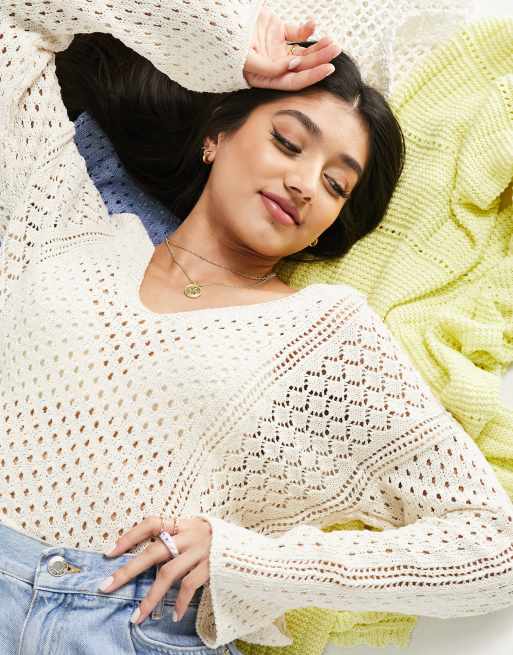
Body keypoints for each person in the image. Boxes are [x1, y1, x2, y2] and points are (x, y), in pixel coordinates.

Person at [2, 2, 513, 655]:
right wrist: (229, 51)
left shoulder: (324, 334)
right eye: (288, 143)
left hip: (129, 626)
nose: (304, 184)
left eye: (335, 184)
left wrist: (248, 561)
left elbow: (493, 545)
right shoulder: (63, 223)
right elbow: (17, 20)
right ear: (216, 135)